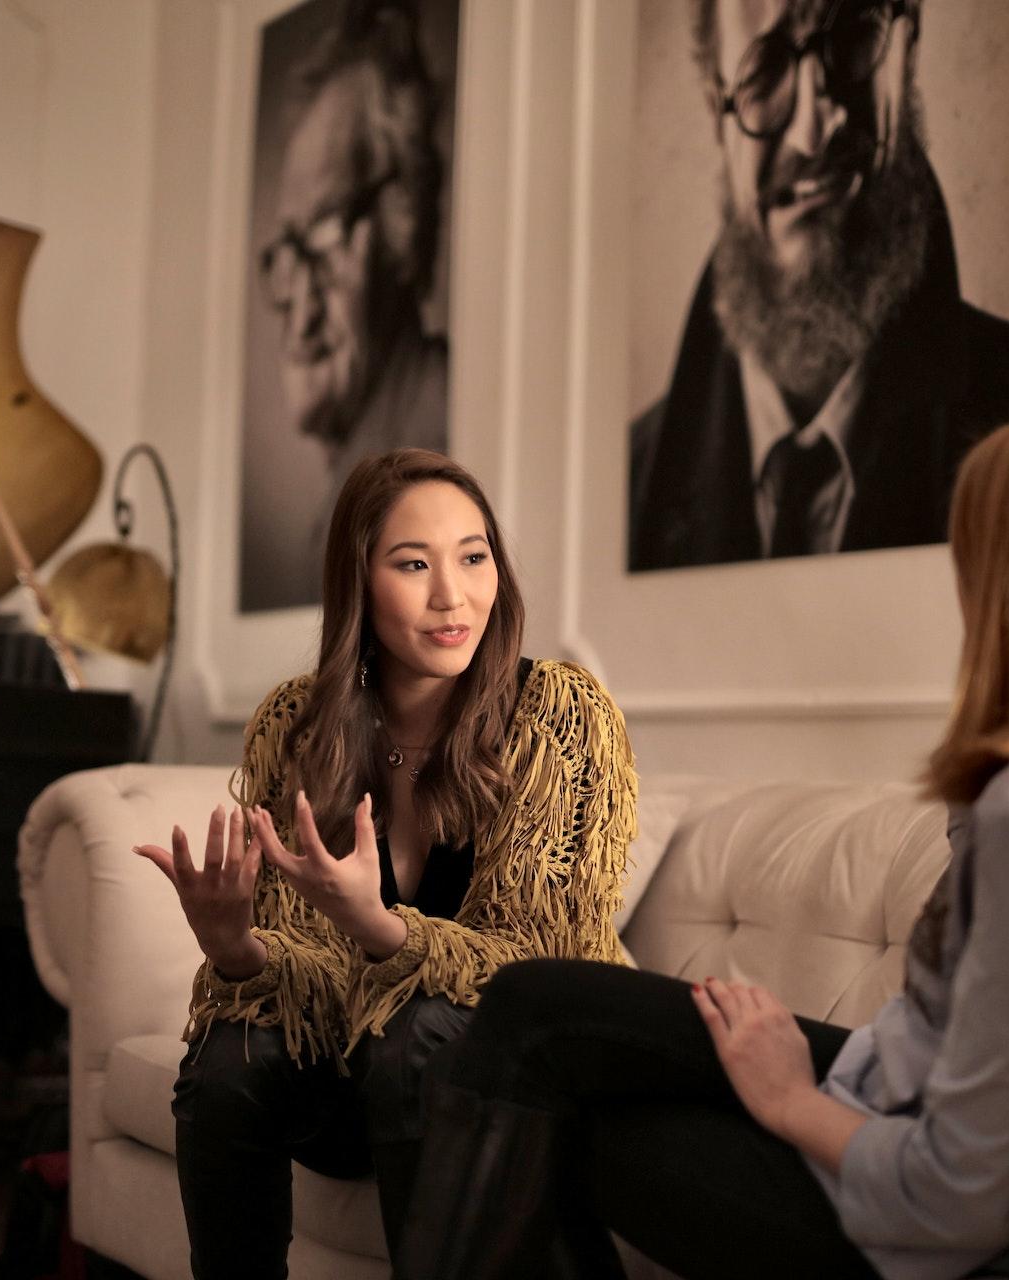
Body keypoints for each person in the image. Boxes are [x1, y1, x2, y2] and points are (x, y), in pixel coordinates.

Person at [401, 403, 1009, 1279]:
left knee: (549, 1109)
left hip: (913, 1234)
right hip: (895, 1088)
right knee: (531, 1005)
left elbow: (960, 1197)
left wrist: (786, 1097)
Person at [137, 448, 638, 1278]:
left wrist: (376, 924)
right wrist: (237, 949)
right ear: (360, 583)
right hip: (357, 1077)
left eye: (474, 557)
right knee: (232, 1052)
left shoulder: (559, 714)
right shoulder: (297, 726)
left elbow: (537, 965)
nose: (454, 595)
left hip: (510, 1078)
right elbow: (309, 991)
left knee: (416, 1032)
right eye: (414, 564)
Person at [629, 0, 1009, 570]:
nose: (817, 130)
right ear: (718, 109)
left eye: (855, 39)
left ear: (908, 47)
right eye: (764, 74)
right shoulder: (630, 488)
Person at [245, 0, 452, 610]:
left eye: (328, 239)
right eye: (289, 250)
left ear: (404, 224)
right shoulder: (353, 487)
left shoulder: (442, 436)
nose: (299, 315)